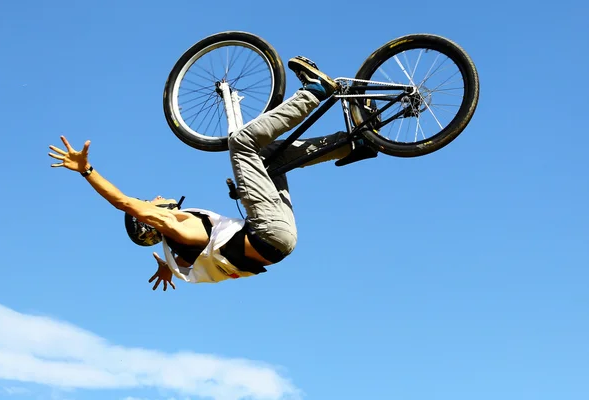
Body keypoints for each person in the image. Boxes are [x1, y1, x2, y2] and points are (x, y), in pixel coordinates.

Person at [48, 56, 377, 291]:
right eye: (150, 202)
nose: (157, 198)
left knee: (268, 157)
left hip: (278, 240)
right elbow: (124, 202)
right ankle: (314, 92)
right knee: (243, 143)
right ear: (150, 219)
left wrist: (164, 267)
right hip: (267, 231)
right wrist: (86, 170)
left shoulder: (178, 251)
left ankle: (353, 143)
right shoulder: (173, 228)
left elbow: (176, 261)